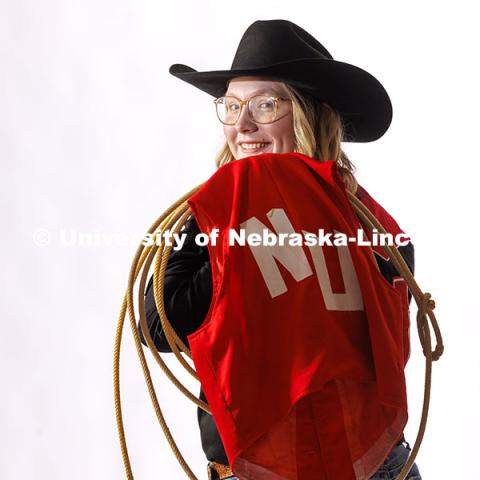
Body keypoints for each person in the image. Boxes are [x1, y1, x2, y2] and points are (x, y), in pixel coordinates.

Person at [139, 20, 422, 480]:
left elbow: (159, 323)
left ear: (311, 114)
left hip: (341, 465)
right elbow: (159, 326)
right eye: (231, 106)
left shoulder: (370, 225)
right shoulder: (219, 216)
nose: (243, 124)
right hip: (324, 464)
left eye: (266, 105)